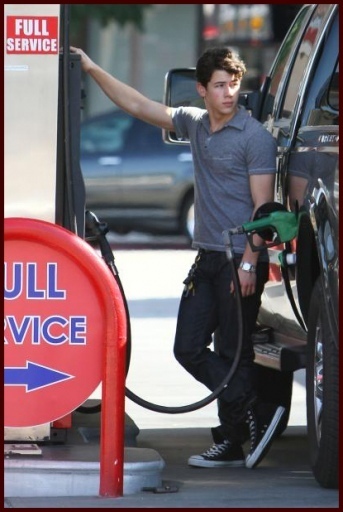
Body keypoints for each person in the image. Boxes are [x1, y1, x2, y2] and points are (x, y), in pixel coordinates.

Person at [71, 45, 285, 469]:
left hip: (238, 258)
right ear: (201, 90)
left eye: (234, 85)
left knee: (234, 352)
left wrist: (248, 262)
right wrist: (93, 67)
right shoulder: (195, 123)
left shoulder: (255, 138)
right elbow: (138, 104)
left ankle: (231, 439)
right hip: (206, 257)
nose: (229, 94)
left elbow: (264, 211)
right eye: (220, 86)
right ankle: (253, 410)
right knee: (187, 347)